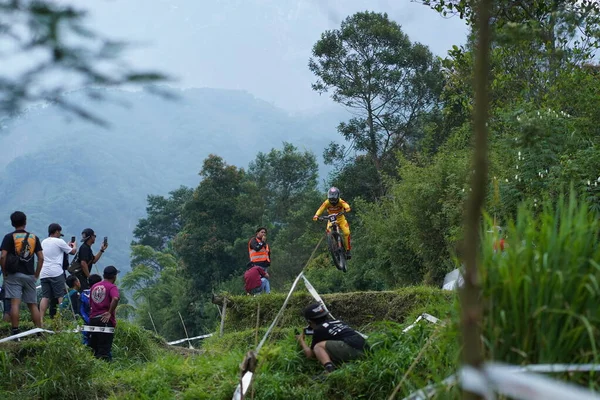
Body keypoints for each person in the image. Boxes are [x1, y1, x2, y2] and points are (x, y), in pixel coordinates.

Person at [0, 211, 44, 336]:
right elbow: (41, 257)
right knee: (33, 304)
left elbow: (3, 256)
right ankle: (39, 331)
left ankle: (15, 332)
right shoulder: (34, 238)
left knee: (15, 303)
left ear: (12, 223)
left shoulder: (9, 237)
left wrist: (4, 272)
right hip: (30, 275)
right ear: (25, 222)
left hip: (13, 275)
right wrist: (36, 274)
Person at [296, 303, 366, 373]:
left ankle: (329, 370)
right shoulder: (338, 322)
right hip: (365, 349)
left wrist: (301, 340)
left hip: (352, 349)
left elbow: (310, 355)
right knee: (327, 348)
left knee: (318, 347)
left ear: (310, 322)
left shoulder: (319, 329)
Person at [39, 223, 77, 323]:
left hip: (44, 272)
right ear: (56, 231)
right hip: (56, 272)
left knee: (45, 296)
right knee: (60, 295)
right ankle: (61, 319)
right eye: (59, 232)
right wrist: (74, 246)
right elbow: (72, 252)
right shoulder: (59, 241)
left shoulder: (43, 242)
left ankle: (40, 320)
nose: (60, 234)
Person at [89, 266, 120, 361]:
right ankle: (104, 371)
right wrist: (109, 312)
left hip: (93, 319)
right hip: (104, 320)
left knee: (94, 348)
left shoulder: (94, 286)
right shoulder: (112, 287)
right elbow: (115, 298)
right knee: (104, 350)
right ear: (114, 276)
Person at [313, 187, 352, 259]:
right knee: (328, 231)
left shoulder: (341, 201)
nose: (333, 200)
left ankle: (348, 250)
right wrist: (316, 216)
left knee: (347, 233)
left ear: (338, 196)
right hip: (331, 220)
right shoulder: (326, 202)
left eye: (334, 198)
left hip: (341, 219)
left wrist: (347, 209)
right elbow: (320, 209)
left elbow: (347, 206)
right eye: (331, 198)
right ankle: (332, 246)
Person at [80, 274, 102, 345]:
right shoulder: (101, 294)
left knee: (85, 342)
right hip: (99, 322)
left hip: (85, 321)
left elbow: (81, 309)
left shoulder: (83, 294)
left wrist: (87, 320)